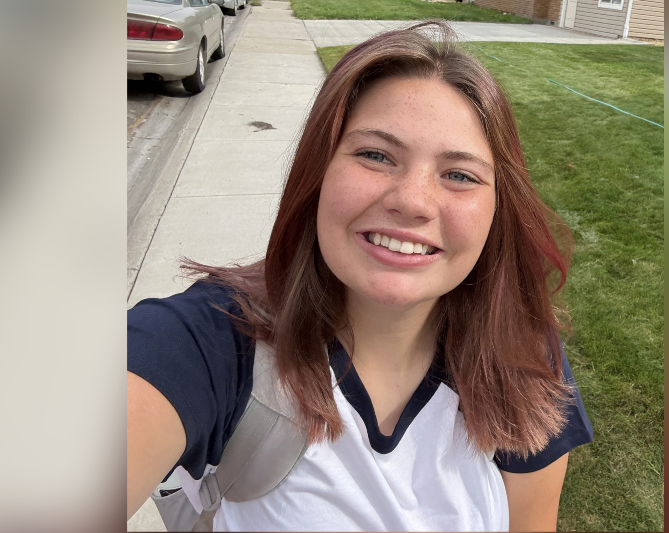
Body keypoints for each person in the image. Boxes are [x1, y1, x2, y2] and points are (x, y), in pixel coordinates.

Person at [127, 21, 592, 532]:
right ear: (318, 171)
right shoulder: (208, 344)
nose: (412, 201)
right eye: (375, 155)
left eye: (459, 174)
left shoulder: (523, 356)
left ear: (498, 208)